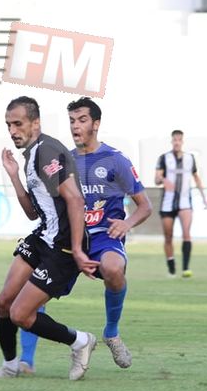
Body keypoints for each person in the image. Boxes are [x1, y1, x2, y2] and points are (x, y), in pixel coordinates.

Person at [18, 97, 152, 374]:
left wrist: (127, 224)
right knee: (32, 291)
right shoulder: (60, 161)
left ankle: (111, 332)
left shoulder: (116, 160)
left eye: (81, 120)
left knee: (113, 268)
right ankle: (26, 361)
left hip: (103, 237)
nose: (75, 126)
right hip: (68, 239)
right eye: (71, 121)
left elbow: (145, 206)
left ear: (96, 124)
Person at [0, 95, 100, 381]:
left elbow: (75, 199)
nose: (12, 131)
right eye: (8, 125)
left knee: (21, 314)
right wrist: (14, 175)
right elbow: (31, 213)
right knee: (4, 302)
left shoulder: (47, 151)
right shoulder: (32, 155)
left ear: (35, 123)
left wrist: (77, 249)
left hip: (63, 245)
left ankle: (80, 341)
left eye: (18, 124)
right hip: (43, 236)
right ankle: (10, 366)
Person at [155, 130, 207, 277]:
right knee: (168, 236)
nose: (177, 142)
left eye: (179, 140)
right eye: (175, 140)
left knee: (186, 234)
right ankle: (171, 268)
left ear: (182, 141)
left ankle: (185, 268)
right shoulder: (164, 158)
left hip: (185, 202)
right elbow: (157, 179)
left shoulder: (190, 158)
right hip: (167, 203)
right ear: (172, 141)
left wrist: (203, 197)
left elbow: (196, 177)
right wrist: (164, 180)